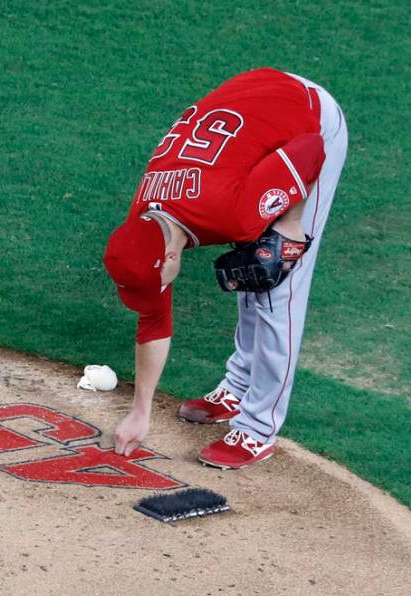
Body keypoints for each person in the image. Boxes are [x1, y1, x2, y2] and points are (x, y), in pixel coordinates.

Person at [103, 67, 347, 469]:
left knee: (276, 281)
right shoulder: (143, 222)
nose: (154, 293)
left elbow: (310, 150)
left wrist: (289, 225)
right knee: (251, 261)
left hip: (308, 116)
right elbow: (152, 321)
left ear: (169, 258)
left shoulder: (230, 211)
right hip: (250, 117)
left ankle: (257, 429)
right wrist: (139, 411)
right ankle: (237, 387)